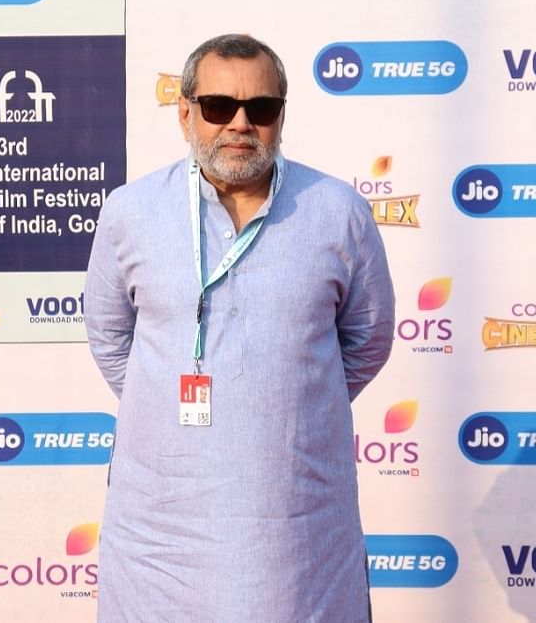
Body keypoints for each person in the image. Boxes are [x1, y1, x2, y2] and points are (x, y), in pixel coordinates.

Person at [83, 33, 396, 622]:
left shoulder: (337, 210)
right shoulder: (131, 212)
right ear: (185, 112)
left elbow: (368, 339)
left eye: (262, 108)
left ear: (282, 115)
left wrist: (288, 404)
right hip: (162, 519)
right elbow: (109, 337)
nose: (240, 124)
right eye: (218, 107)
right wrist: (183, 404)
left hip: (294, 517)